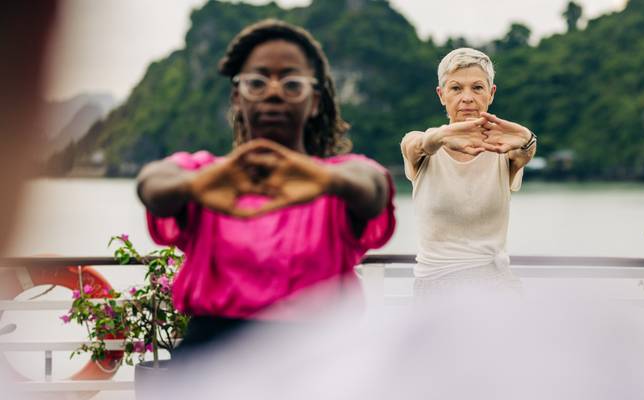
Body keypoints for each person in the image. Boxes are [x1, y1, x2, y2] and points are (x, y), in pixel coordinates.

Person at [136, 19, 395, 360]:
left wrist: (327, 181)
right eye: (257, 83)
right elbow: (151, 184)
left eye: (291, 84)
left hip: (320, 361)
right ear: (237, 97)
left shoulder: (339, 179)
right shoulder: (207, 176)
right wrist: (197, 185)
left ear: (314, 101)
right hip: (212, 360)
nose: (273, 93)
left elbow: (374, 187)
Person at [400, 47, 536, 296]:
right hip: (436, 285)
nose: (467, 98)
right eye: (456, 88)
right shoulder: (421, 143)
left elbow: (524, 152)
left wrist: (528, 138)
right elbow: (417, 145)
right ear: (441, 95)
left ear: (491, 93)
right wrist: (443, 136)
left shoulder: (502, 149)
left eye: (477, 88)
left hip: (495, 285)